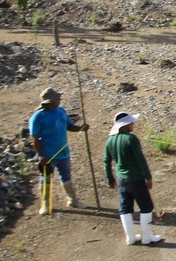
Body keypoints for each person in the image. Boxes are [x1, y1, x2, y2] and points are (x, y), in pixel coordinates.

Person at [104, 111, 163, 246]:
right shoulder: (131, 139)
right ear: (125, 125)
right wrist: (148, 177)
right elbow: (140, 160)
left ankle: (130, 238)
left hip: (121, 180)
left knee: (125, 208)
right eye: (131, 122)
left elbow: (106, 161)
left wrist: (109, 178)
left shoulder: (110, 141)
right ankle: (147, 237)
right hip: (135, 179)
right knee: (146, 207)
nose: (133, 124)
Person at [28, 87, 90, 214]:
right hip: (47, 154)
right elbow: (35, 138)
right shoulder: (38, 117)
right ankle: (45, 204)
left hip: (63, 152)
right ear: (50, 101)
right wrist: (40, 156)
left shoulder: (61, 111)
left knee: (66, 177)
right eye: (57, 99)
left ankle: (72, 200)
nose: (60, 100)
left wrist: (80, 128)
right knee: (46, 178)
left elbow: (69, 126)